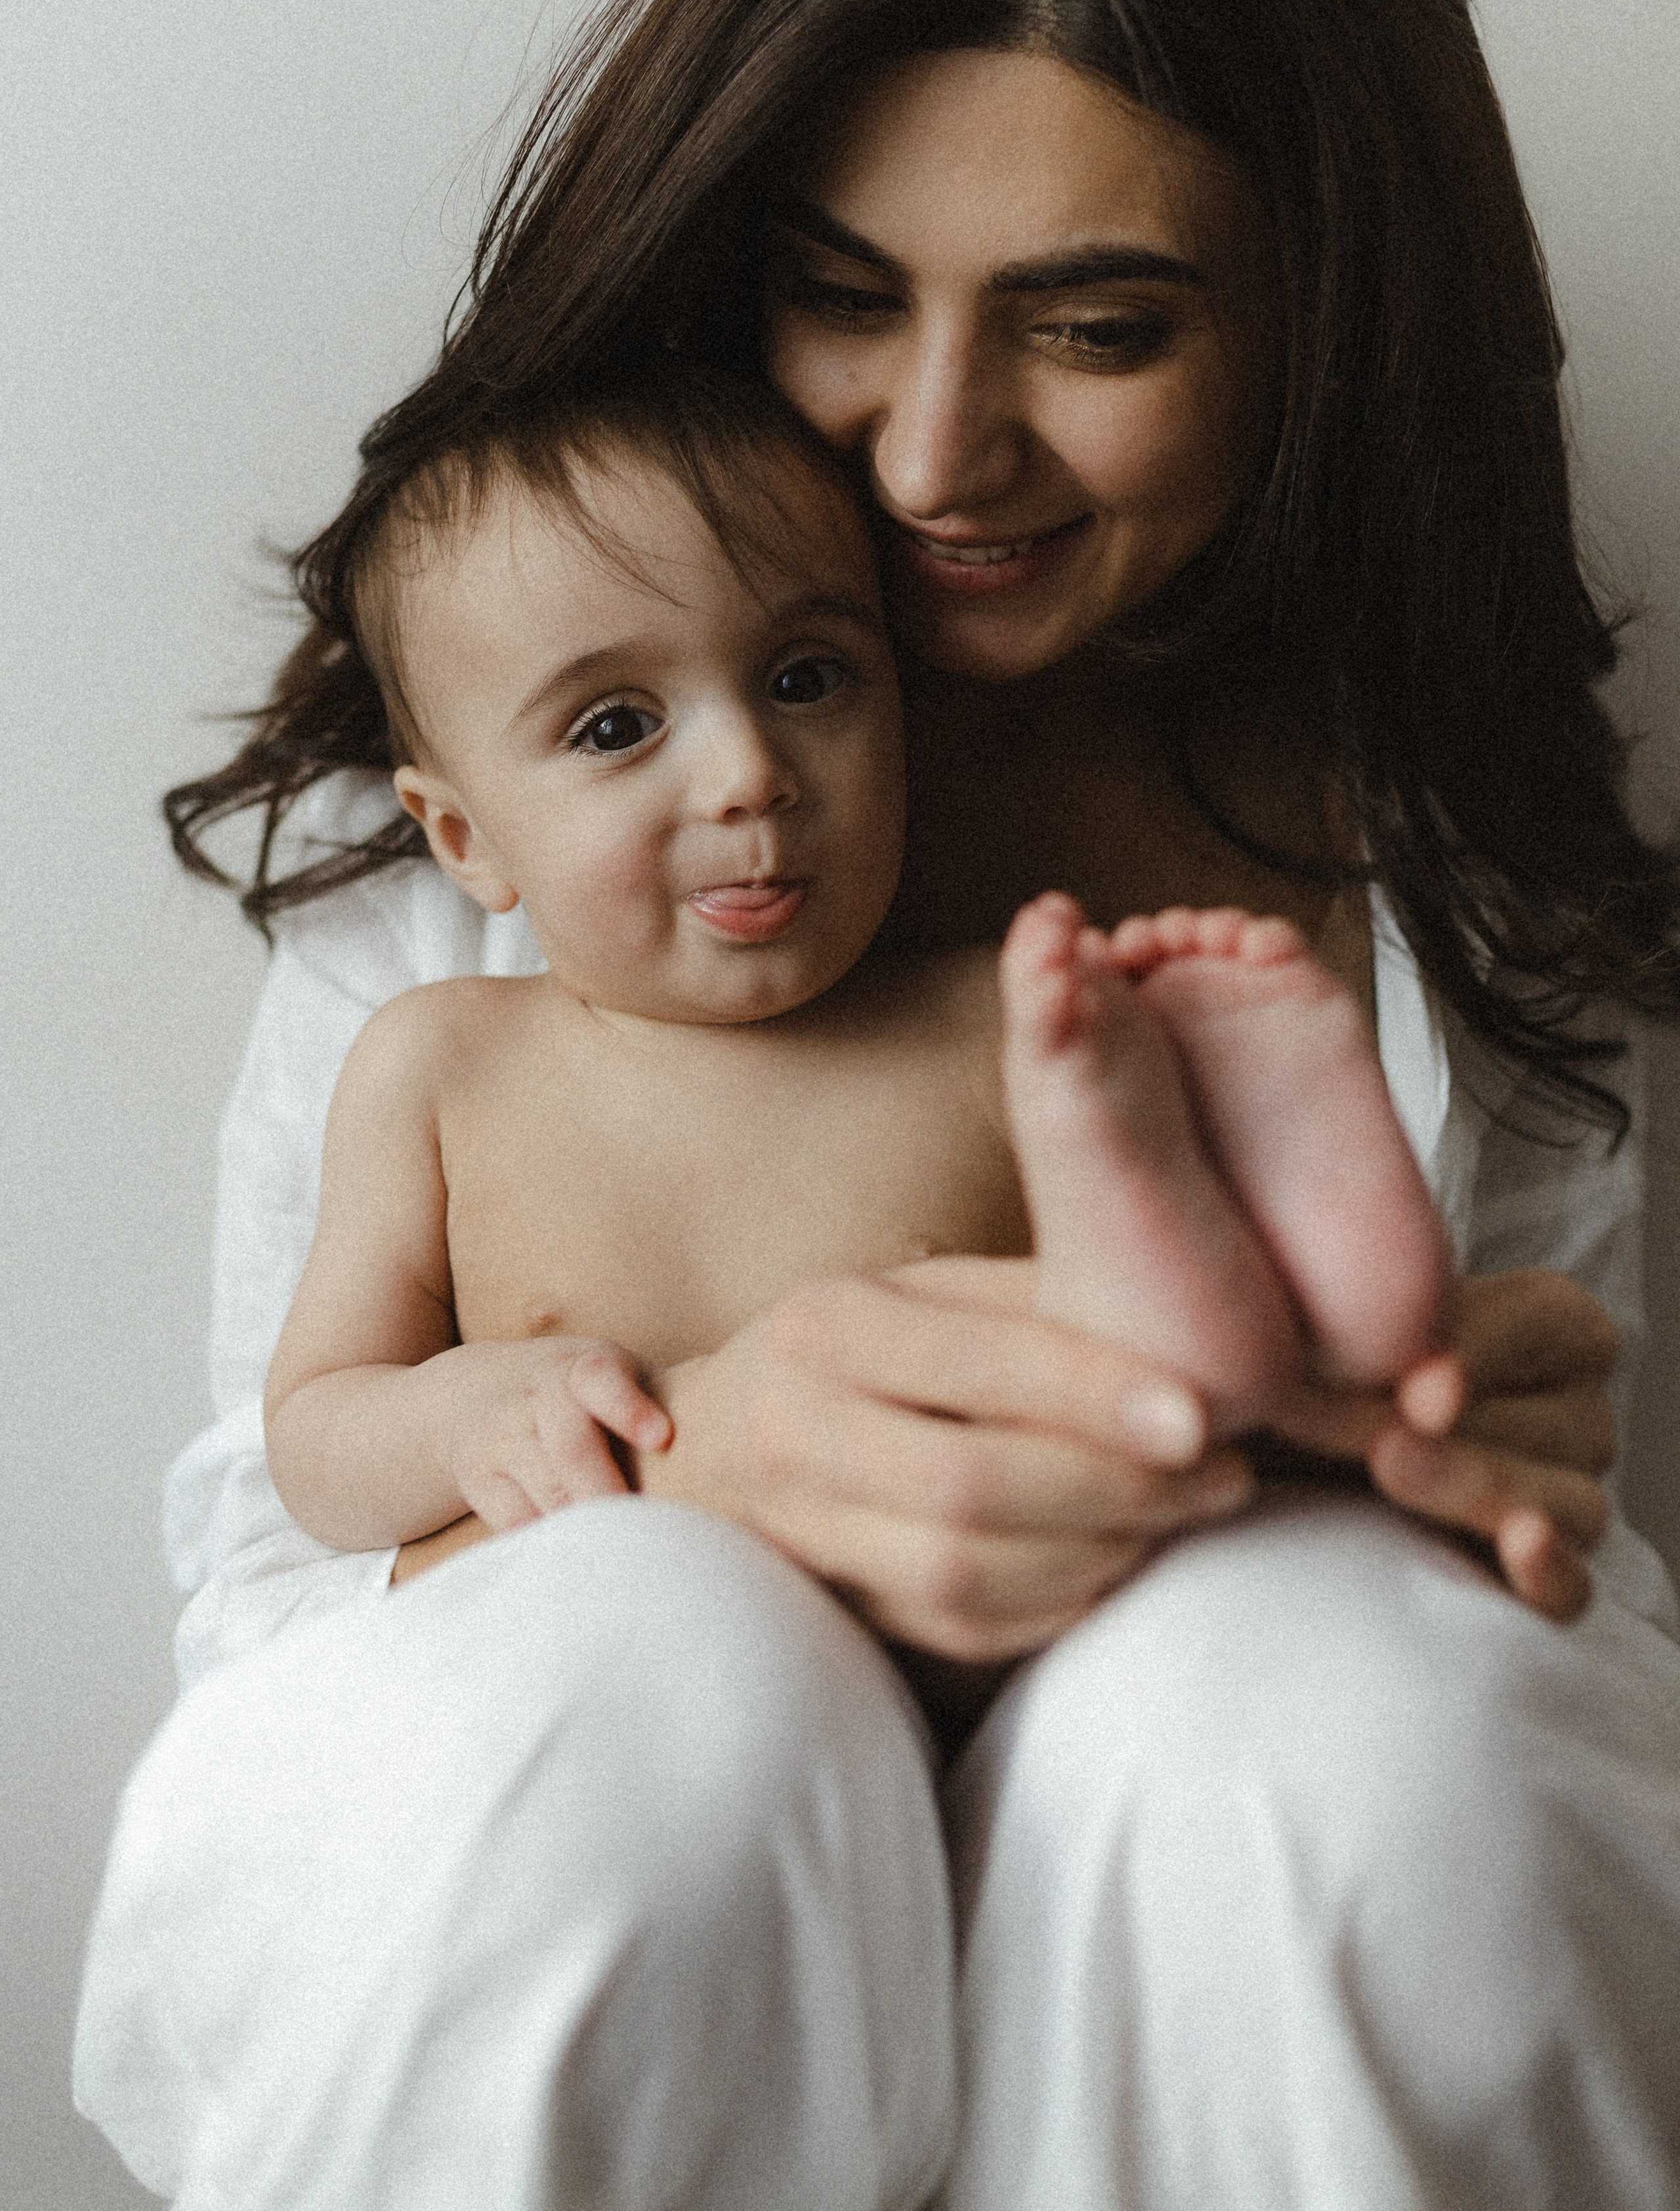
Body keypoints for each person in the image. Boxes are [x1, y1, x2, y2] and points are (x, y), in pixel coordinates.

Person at [75, 0, 1680, 2211]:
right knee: (656, 1692)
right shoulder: (511, 815)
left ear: (1322, 323)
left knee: (1343, 1723)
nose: (939, 451)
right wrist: (681, 1467)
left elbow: (1569, 1657)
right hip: (600, 1848)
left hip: (1232, 1870)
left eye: (1104, 324)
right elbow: (280, 1568)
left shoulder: (1449, 878)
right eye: (843, 294)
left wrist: (1503, 1462)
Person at [262, 366, 1450, 1568]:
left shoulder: (1005, 1012)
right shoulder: (443, 1064)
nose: (749, 772)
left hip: (1009, 1606)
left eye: (805, 680)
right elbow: (313, 1436)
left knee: (1128, 1317)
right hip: (662, 1620)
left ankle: (1285, 1282)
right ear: (463, 837)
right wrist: (461, 1419)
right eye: (616, 725)